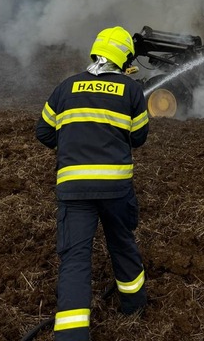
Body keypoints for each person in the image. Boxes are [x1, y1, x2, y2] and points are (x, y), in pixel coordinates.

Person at [35, 26, 149, 340]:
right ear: (125, 58)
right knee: (122, 243)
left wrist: (71, 141)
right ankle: (134, 307)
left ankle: (72, 335)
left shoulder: (66, 87)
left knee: (74, 258)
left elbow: (43, 132)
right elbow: (139, 137)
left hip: (73, 189)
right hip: (116, 189)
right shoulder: (131, 90)